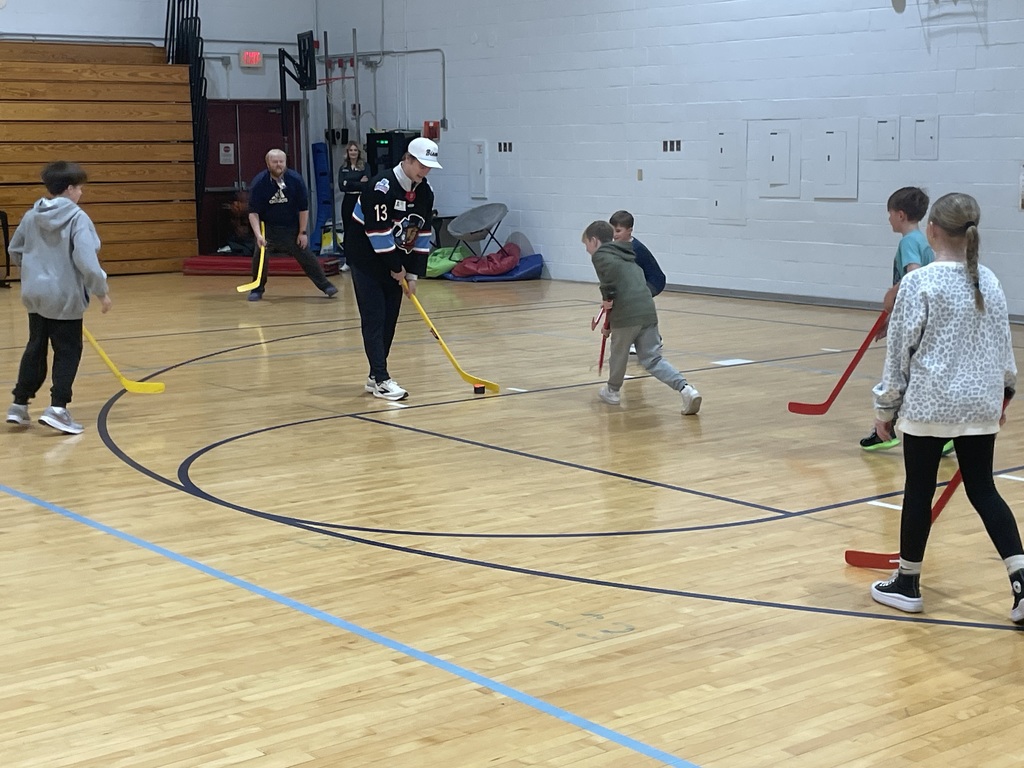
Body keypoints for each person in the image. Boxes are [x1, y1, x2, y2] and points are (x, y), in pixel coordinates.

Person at [869, 192, 1024, 624]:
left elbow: (899, 354)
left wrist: (885, 410)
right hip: (979, 404)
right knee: (984, 490)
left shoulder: (920, 283)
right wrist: (1003, 397)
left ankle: (907, 583)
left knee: (918, 489)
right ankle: (1022, 581)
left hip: (930, 404)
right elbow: (1005, 353)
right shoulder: (989, 280)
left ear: (933, 229)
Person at [5, 161, 112, 435]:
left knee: (36, 347)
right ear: (69, 188)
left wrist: (34, 274)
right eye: (79, 188)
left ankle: (19, 405)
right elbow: (87, 261)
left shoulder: (32, 215)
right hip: (64, 297)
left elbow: (14, 249)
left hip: (35, 295)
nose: (81, 193)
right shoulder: (78, 218)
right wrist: (101, 291)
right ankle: (58, 408)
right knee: (67, 352)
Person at [345, 137, 440, 401]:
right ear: (407, 159)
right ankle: (383, 378)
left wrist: (412, 274)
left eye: (429, 167)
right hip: (365, 257)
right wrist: (397, 268)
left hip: (394, 260)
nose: (425, 171)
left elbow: (421, 234)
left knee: (390, 319)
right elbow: (378, 233)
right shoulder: (380, 187)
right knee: (374, 317)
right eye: (421, 165)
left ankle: (376, 376)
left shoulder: (424, 191)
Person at [583, 221, 701, 415]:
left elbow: (609, 285)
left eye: (586, 244)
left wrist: (608, 308)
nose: (587, 249)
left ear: (594, 241)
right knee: (653, 359)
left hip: (627, 313)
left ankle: (612, 391)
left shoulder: (600, 256)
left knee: (618, 356)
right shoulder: (626, 253)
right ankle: (686, 389)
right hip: (647, 308)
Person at [861, 187, 936, 451]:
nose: (889, 219)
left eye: (890, 213)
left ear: (901, 215)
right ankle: (889, 430)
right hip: (924, 316)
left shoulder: (908, 242)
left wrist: (892, 294)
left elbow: (912, 276)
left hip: (911, 318)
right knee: (915, 376)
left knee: (898, 375)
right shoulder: (928, 240)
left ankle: (887, 429)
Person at [246, 149, 338, 301]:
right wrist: (258, 236)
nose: (278, 165)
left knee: (307, 256)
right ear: (268, 163)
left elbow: (303, 208)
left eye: (281, 161)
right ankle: (257, 289)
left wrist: (302, 232)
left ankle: (326, 285)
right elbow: (253, 213)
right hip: (268, 228)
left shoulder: (295, 180)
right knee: (259, 257)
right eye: (275, 162)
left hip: (291, 228)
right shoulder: (259, 183)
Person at [338, 141, 370, 245]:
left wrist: (349, 183)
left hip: (361, 199)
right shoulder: (343, 168)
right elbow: (342, 187)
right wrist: (358, 182)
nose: (353, 152)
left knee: (361, 227)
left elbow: (367, 185)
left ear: (359, 152)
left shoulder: (365, 166)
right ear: (347, 152)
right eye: (351, 150)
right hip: (348, 200)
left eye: (355, 150)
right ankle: (348, 256)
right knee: (347, 227)